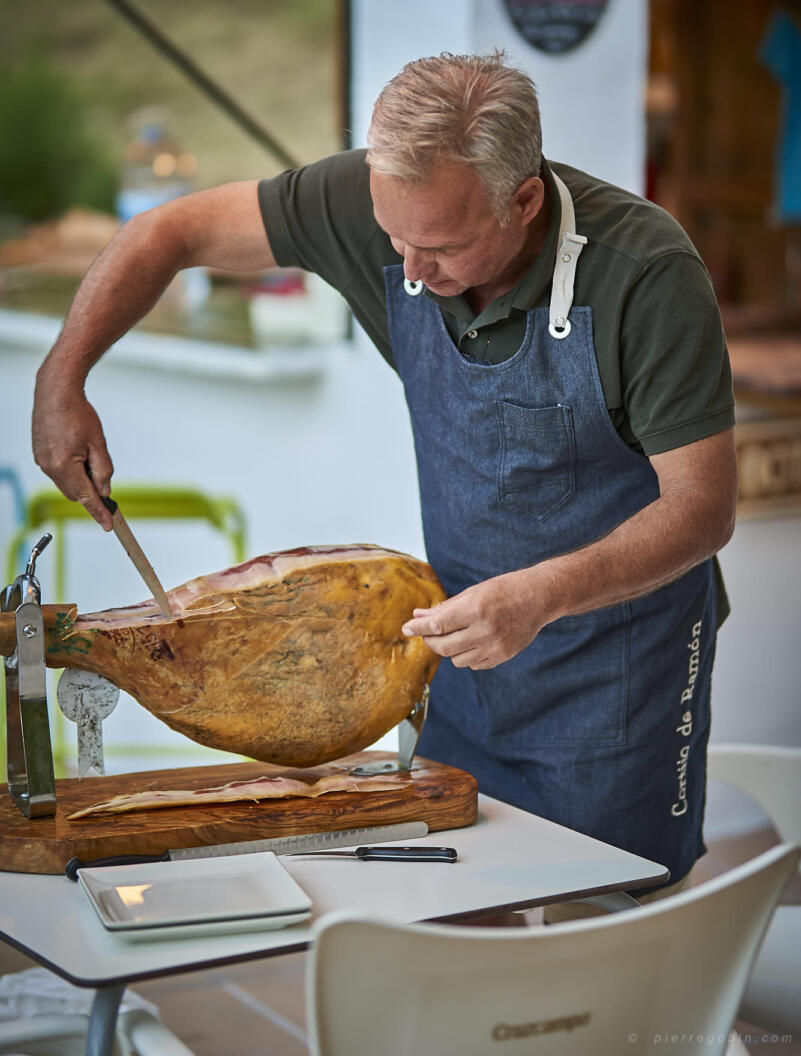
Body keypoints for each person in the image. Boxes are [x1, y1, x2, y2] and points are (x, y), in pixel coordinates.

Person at [32, 52, 737, 898]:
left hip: (618, 662)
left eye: (439, 246)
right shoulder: (372, 205)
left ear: (523, 202)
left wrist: (540, 597)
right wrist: (62, 378)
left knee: (607, 918)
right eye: (392, 236)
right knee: (458, 896)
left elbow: (700, 510)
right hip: (462, 641)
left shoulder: (644, 274)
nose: (407, 268)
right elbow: (167, 231)